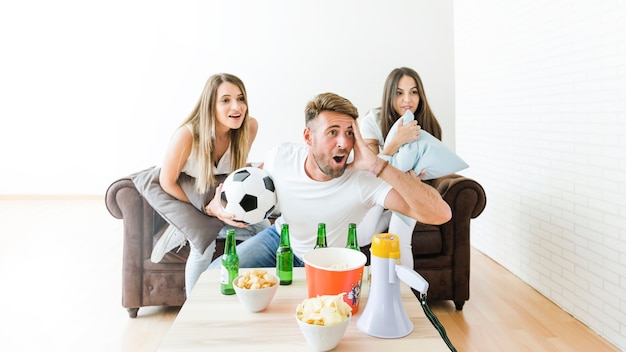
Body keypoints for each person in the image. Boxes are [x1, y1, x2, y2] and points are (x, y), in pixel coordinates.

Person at [206, 92, 451, 269]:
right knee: (216, 275)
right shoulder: (282, 157)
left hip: (327, 262)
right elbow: (244, 183)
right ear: (308, 137)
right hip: (279, 240)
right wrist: (219, 203)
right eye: (332, 132)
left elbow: (440, 214)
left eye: (349, 133)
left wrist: (379, 165)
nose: (343, 143)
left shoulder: (365, 180)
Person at [134, 73, 270, 296]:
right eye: (225, 100)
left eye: (241, 98)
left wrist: (223, 205)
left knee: (264, 230)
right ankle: (193, 307)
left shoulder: (249, 127)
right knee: (202, 246)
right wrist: (205, 209)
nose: (236, 106)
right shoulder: (187, 135)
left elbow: (234, 174)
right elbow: (167, 181)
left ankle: (253, 292)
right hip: (180, 192)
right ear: (210, 106)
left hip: (211, 187)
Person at [357, 67, 443, 268]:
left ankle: (406, 296)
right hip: (379, 186)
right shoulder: (373, 120)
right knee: (363, 236)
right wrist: (396, 141)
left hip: (410, 190)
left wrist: (418, 181)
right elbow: (370, 168)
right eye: (399, 93)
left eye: (413, 92)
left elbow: (430, 173)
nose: (407, 99)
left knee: (399, 234)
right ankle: (387, 214)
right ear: (389, 95)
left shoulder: (430, 124)